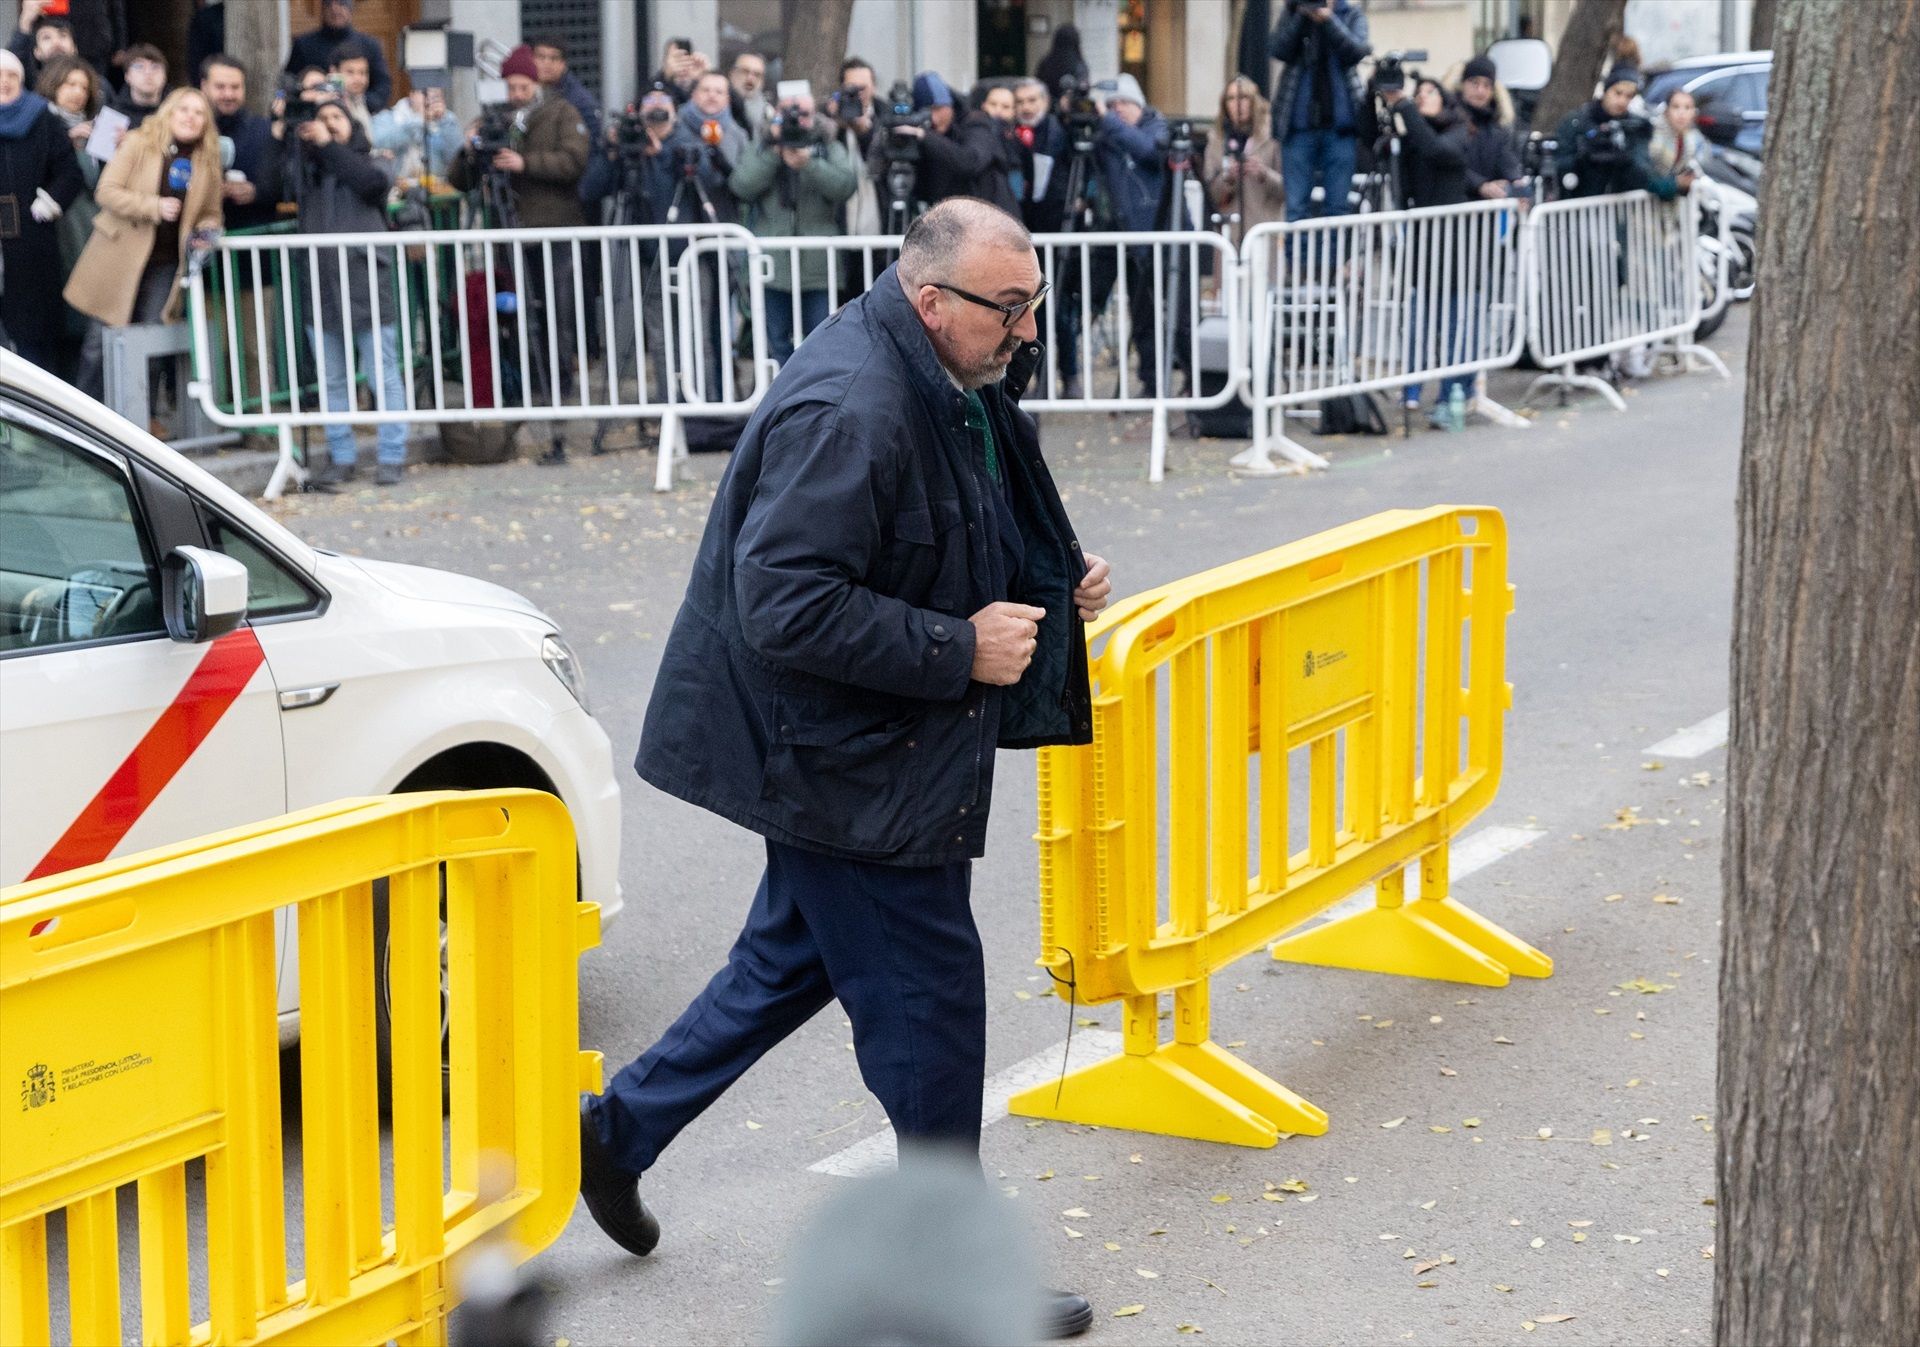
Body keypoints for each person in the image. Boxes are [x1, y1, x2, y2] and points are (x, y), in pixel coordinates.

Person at [575, 197, 1109, 1345]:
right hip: (846, 763)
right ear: (933, 302)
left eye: (1033, 305)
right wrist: (957, 646)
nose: (1025, 331)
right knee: (930, 1011)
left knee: (786, 966)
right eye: (1009, 310)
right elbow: (786, 601)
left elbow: (945, 516)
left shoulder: (935, 373)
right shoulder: (854, 405)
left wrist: (1049, 575)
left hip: (859, 749)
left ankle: (613, 1134)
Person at [448, 44, 588, 434]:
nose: (516, 93)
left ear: (535, 83)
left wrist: (526, 163)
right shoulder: (493, 119)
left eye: (523, 85)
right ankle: (519, 380)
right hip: (507, 233)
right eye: (510, 85)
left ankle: (556, 383)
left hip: (551, 230)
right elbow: (460, 180)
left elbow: (575, 161)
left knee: (552, 309)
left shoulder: (561, 112)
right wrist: (470, 147)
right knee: (511, 309)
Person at [64, 87, 222, 400]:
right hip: (119, 256)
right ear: (168, 113)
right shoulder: (139, 143)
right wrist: (153, 206)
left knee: (151, 338)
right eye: (184, 110)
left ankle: (138, 419)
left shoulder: (208, 161)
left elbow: (211, 213)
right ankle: (82, 414)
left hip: (166, 264)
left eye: (199, 112)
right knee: (99, 342)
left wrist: (207, 231)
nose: (191, 117)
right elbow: (106, 192)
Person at [286, 99, 408, 487]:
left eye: (336, 118)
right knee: (332, 379)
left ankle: (392, 454)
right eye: (320, 120)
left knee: (381, 373)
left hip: (365, 281)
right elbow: (274, 181)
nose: (327, 125)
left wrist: (328, 146)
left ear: (352, 125)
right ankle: (340, 456)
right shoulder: (307, 170)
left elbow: (371, 184)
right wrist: (282, 133)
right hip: (320, 286)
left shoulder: (374, 160)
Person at [729, 91, 856, 363]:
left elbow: (846, 186)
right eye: (787, 113)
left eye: (803, 114)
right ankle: (782, 401)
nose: (796, 121)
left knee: (819, 339)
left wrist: (810, 164)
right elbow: (742, 185)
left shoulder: (828, 144)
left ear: (816, 117)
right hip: (771, 265)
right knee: (774, 342)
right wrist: (775, 153)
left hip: (818, 266)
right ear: (775, 114)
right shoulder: (762, 144)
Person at [1380, 76, 1473, 425]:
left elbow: (1437, 150)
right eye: (1415, 94)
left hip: (1452, 242)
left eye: (1428, 93)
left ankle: (1450, 393)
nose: (1419, 98)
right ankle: (1413, 388)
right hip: (1422, 240)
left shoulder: (1459, 131)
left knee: (1451, 323)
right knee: (1418, 321)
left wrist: (1404, 106)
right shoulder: (1409, 137)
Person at [0, 50, 84, 372]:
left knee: (35, 334)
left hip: (32, 238)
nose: (5, 83)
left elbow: (69, 172)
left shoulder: (42, 118)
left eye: (12, 77)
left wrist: (50, 201)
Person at [1087, 74, 1170, 395]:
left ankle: (1152, 381)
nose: (1115, 109)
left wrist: (1107, 122)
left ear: (1137, 103)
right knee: (1088, 298)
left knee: (1146, 309)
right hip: (1112, 228)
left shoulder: (1155, 126)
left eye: (1121, 103)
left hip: (1147, 233)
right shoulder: (1107, 132)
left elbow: (1149, 151)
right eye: (1109, 105)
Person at [1268, 0, 1371, 221]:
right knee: (1296, 208)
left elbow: (1357, 50)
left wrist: (1328, 20)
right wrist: (1301, 15)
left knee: (1338, 209)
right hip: (1298, 128)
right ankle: (1298, 257)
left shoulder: (1351, 15)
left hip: (1341, 130)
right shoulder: (1294, 12)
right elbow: (1278, 49)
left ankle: (1334, 257)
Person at [1552, 67, 1685, 200]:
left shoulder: (1636, 126)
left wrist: (1624, 160)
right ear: (1606, 90)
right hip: (1579, 205)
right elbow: (1560, 166)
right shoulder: (1576, 122)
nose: (1622, 101)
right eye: (1618, 93)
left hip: (1619, 209)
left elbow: (1643, 170)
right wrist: (1585, 156)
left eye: (1629, 96)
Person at [897, 71, 1018, 216]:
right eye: (927, 112)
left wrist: (925, 136)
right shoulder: (931, 136)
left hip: (990, 216)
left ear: (950, 105)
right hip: (952, 219)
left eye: (938, 109)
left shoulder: (976, 123)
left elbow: (970, 161)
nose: (933, 118)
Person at [1202, 75, 1285, 249]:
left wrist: (1263, 173)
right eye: (1230, 99)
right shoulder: (1216, 141)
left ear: (1254, 101)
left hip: (1264, 232)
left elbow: (1288, 188)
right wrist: (1227, 177)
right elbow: (1210, 194)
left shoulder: (1273, 138)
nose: (1237, 104)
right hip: (1227, 236)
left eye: (1243, 97)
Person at [200, 54, 280, 231]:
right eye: (220, 87)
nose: (228, 94)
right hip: (202, 240)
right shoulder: (190, 132)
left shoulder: (265, 130)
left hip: (255, 237)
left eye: (235, 87)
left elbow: (286, 182)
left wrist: (256, 193)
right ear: (204, 86)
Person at [285, 0, 391, 113]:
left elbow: (383, 87)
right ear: (322, 8)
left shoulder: (369, 45)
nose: (335, 9)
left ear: (351, 7)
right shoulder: (304, 44)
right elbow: (287, 81)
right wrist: (305, 92)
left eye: (341, 3)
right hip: (314, 113)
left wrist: (356, 103)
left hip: (360, 113)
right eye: (329, 3)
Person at [825, 57, 880, 237]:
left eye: (862, 88)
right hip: (840, 224)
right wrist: (833, 123)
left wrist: (864, 131)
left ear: (874, 87)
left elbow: (881, 162)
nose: (857, 94)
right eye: (851, 89)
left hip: (877, 221)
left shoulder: (885, 115)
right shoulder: (828, 116)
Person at [1456, 55, 1524, 202]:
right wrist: (1481, 185)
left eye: (1487, 85)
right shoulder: (1449, 121)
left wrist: (1517, 185)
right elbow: (1449, 166)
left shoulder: (1497, 129)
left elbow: (1507, 161)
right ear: (1463, 84)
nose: (1480, 91)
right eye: (1475, 83)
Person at [370, 86, 460, 189]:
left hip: (436, 189)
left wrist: (444, 123)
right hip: (397, 190)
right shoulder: (388, 118)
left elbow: (456, 160)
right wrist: (420, 121)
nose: (430, 100)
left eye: (436, 96)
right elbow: (376, 141)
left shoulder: (447, 121)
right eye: (424, 93)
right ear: (411, 95)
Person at [532, 35, 601, 144]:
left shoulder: (580, 101)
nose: (546, 63)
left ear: (563, 64)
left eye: (553, 58)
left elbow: (590, 146)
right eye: (541, 57)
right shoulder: (523, 92)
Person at [6, 5, 76, 87]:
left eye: (63, 35)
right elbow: (12, 63)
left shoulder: (89, 81)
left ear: (74, 48)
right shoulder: (30, 87)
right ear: (37, 52)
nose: (56, 42)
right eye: (46, 38)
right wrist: (25, 22)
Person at [110, 45, 168, 135]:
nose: (148, 73)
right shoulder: (113, 115)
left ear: (165, 77)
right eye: (139, 66)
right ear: (127, 76)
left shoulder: (175, 112)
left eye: (155, 67)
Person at [328, 45, 374, 138]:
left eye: (362, 72)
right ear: (334, 72)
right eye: (350, 72)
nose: (358, 78)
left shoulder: (359, 99)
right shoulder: (328, 105)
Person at [1033, 22, 1089, 95]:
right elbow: (1084, 89)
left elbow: (1038, 85)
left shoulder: (1046, 62)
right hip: (1074, 104)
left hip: (1049, 103)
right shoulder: (1079, 63)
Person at [651, 38, 704, 106]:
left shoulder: (699, 83)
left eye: (685, 58)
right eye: (676, 58)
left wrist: (703, 78)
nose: (681, 63)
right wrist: (666, 76)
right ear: (665, 61)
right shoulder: (657, 83)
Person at [729, 50, 768, 138]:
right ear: (732, 74)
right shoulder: (718, 103)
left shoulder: (768, 113)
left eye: (757, 75)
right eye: (745, 71)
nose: (750, 78)